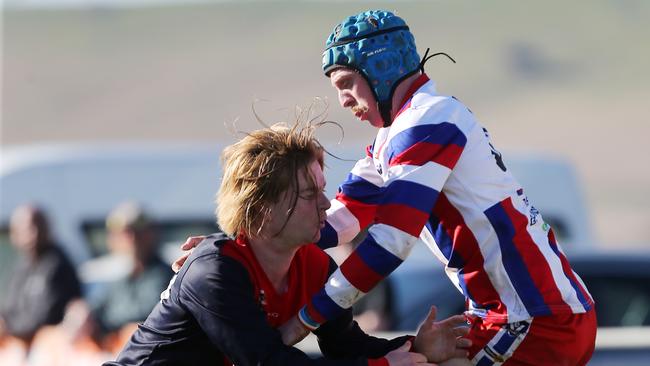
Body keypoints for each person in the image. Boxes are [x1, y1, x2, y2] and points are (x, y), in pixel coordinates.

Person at [174, 9, 597, 365]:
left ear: (379, 68)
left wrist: (304, 319)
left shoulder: (428, 121)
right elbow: (332, 223)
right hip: (523, 313)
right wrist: (236, 241)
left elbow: (392, 242)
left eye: (345, 84)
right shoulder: (394, 137)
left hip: (535, 318)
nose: (342, 100)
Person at [105, 123, 470, 366]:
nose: (327, 204)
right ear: (261, 208)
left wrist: (416, 347)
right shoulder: (214, 271)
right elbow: (267, 363)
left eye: (322, 190)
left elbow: (348, 348)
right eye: (310, 194)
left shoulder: (313, 266)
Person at [0, 204, 82, 344]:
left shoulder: (57, 263)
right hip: (21, 340)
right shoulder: (22, 266)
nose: (33, 234)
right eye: (27, 229)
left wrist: (11, 330)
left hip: (49, 343)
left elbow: (46, 316)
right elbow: (10, 308)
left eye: (37, 226)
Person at [91, 202, 174, 335]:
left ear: (151, 234)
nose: (131, 239)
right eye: (124, 233)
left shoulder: (166, 276)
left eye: (137, 232)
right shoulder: (113, 275)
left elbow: (148, 316)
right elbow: (97, 310)